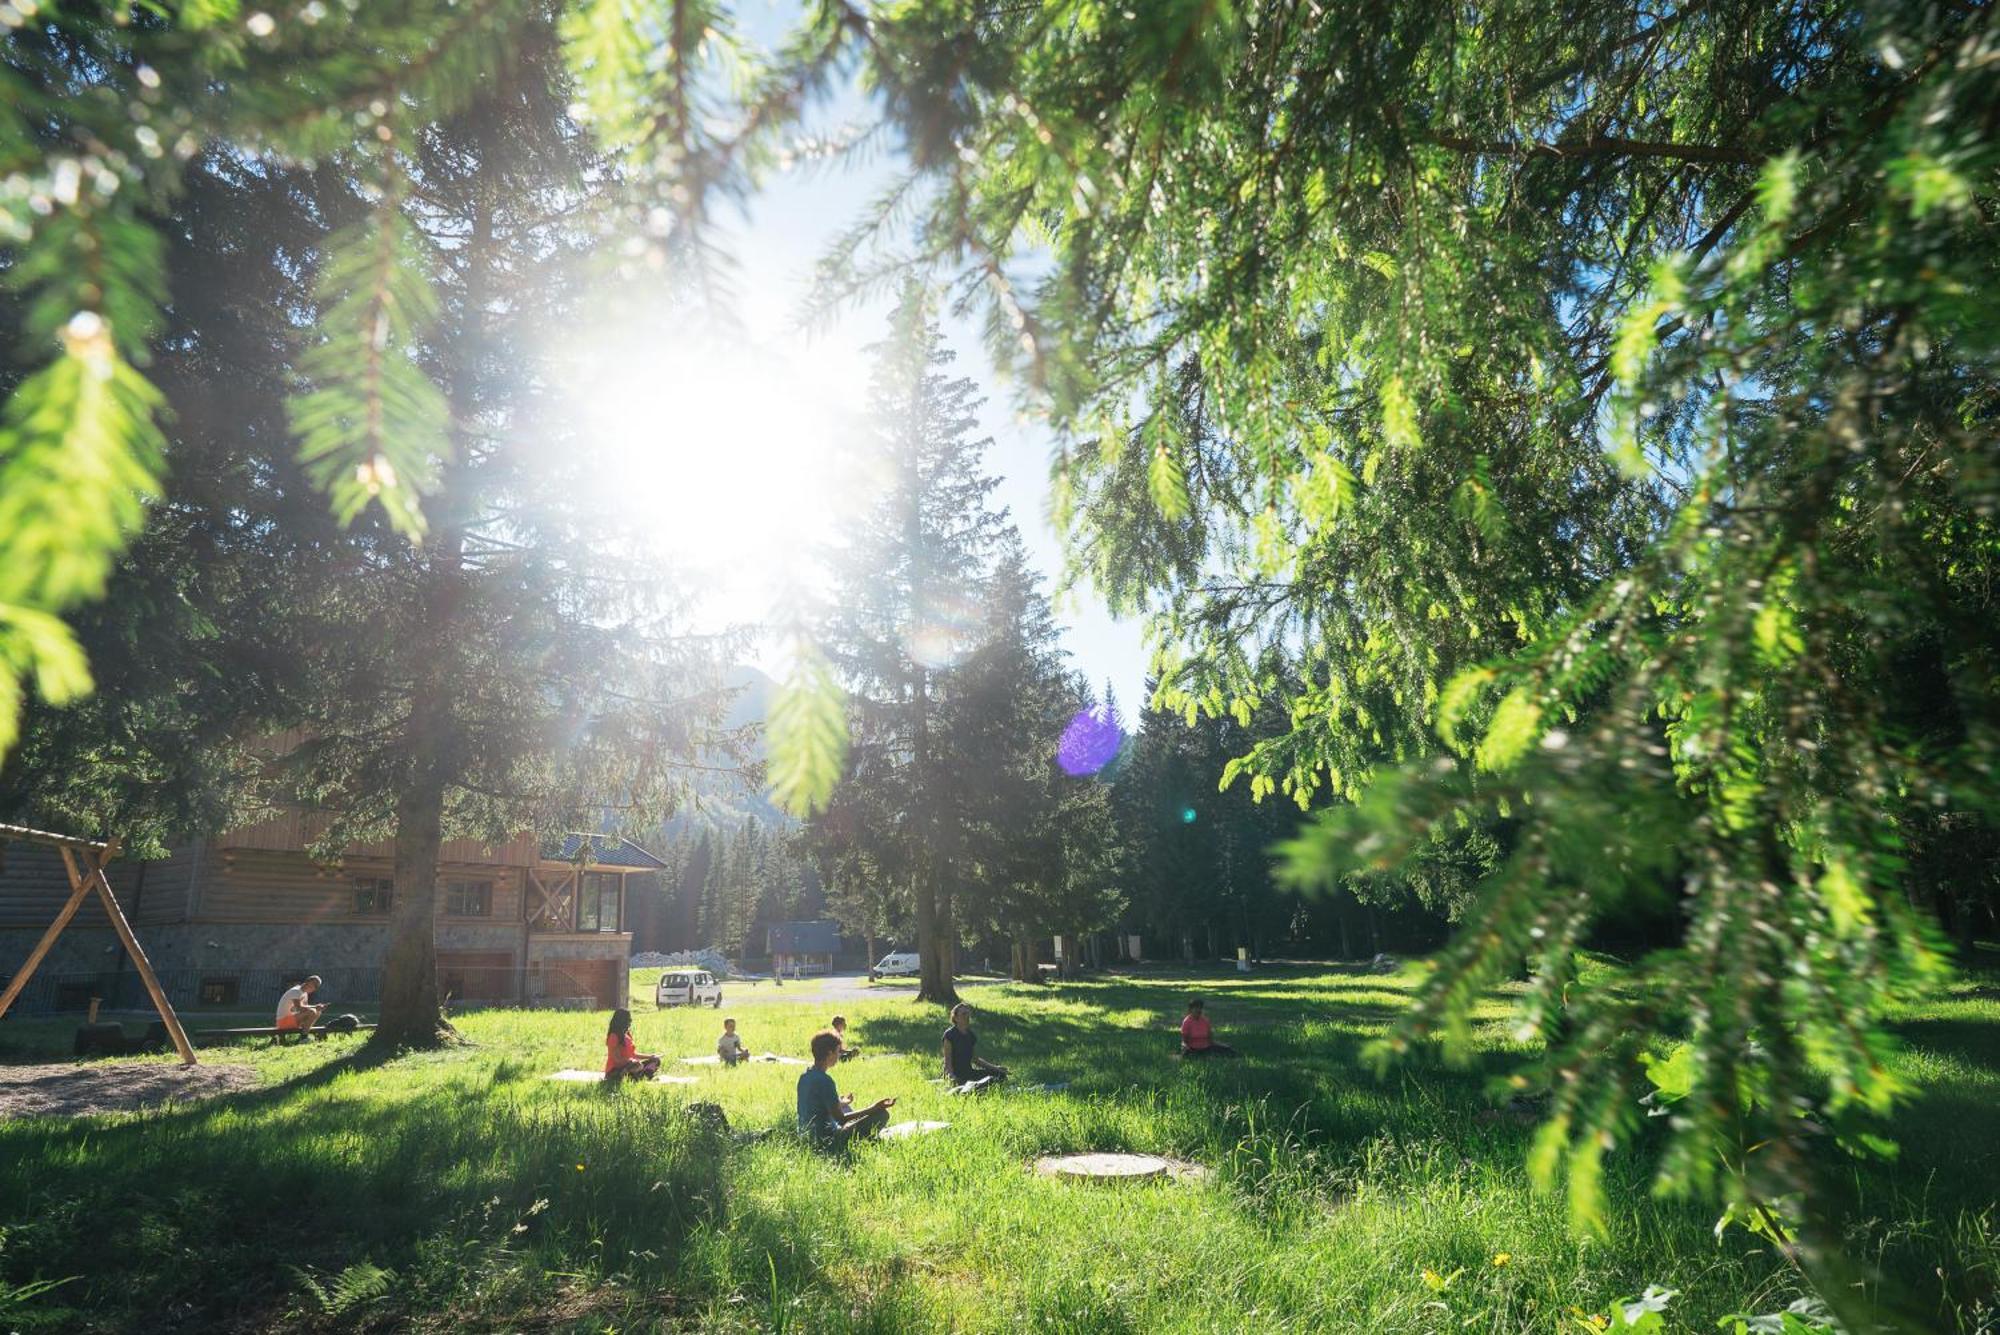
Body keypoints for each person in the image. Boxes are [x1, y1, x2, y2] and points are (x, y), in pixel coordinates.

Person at [797, 1029, 892, 1150]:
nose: (839, 1055)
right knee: (882, 1114)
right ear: (829, 1053)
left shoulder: (805, 1076)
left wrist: (842, 1103)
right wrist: (873, 1108)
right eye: (838, 1051)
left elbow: (816, 1105)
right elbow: (841, 1119)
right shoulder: (825, 1081)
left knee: (844, 1106)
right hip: (826, 1141)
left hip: (805, 1137)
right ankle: (866, 1141)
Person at [941, 1003, 1008, 1090]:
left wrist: (996, 1068)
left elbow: (975, 1060)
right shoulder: (949, 1035)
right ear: (956, 1018)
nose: (967, 1016)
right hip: (956, 1074)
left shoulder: (970, 1035)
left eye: (968, 1014)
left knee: (1000, 1075)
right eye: (963, 1014)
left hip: (969, 1073)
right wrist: (952, 1077)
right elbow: (947, 1062)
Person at [604, 1008, 662, 1083]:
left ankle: (641, 1077)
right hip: (614, 1071)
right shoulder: (614, 1036)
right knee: (637, 1065)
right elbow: (617, 1060)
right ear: (621, 1021)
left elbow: (633, 1054)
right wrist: (632, 1062)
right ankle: (638, 1077)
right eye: (628, 1019)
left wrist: (651, 1056)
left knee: (655, 1060)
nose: (630, 1021)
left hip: (630, 1066)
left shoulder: (627, 1035)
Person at [274, 975, 325, 1040]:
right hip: (283, 1021)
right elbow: (299, 1008)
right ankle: (304, 1037)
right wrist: (315, 1006)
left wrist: (317, 1008)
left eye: (316, 986)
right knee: (312, 1011)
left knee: (318, 1011)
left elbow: (305, 1008)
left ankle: (304, 1033)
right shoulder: (296, 991)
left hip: (292, 1019)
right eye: (314, 984)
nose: (314, 987)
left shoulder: (304, 993)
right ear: (307, 981)